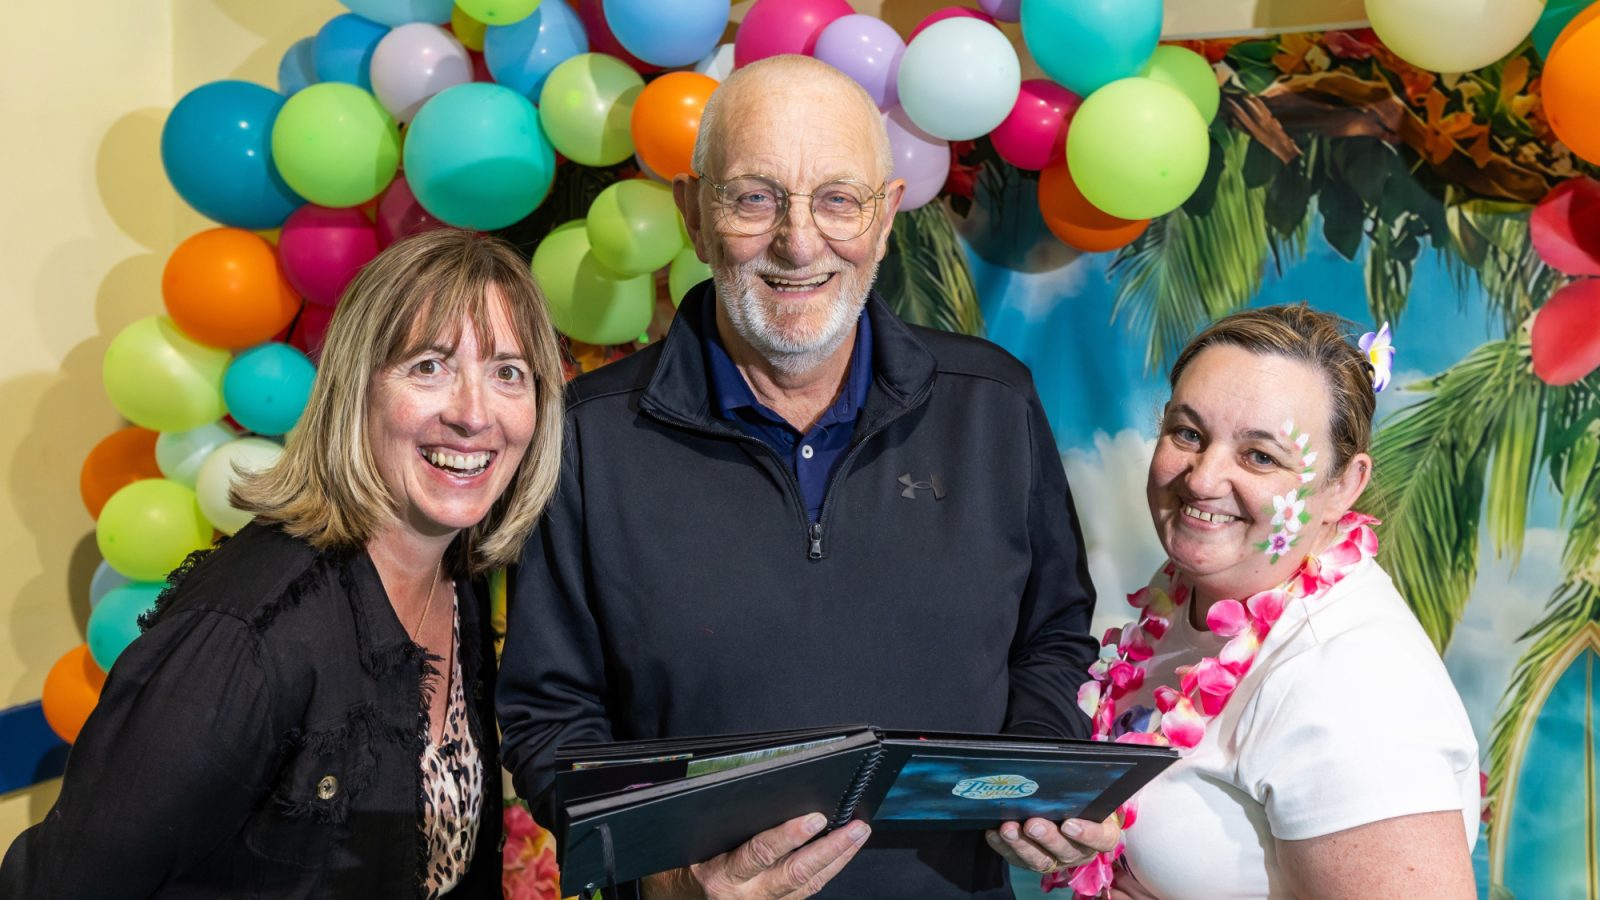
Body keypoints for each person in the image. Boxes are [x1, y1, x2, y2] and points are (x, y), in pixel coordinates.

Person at [497, 54, 1104, 899]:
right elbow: (550, 718)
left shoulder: (994, 404)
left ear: (887, 216)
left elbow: (1054, 636)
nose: (798, 240)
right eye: (755, 197)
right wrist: (673, 881)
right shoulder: (585, 438)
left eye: (837, 199)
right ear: (694, 216)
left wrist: (1037, 780)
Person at [0, 229, 567, 898]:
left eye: (507, 372)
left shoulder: (457, 580)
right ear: (356, 391)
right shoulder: (249, 633)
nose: (475, 414)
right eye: (428, 366)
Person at [1021, 305, 1479, 898]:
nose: (1203, 479)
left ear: (1344, 485)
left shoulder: (1352, 680)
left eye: (1261, 456)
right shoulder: (1194, 590)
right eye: (1188, 433)